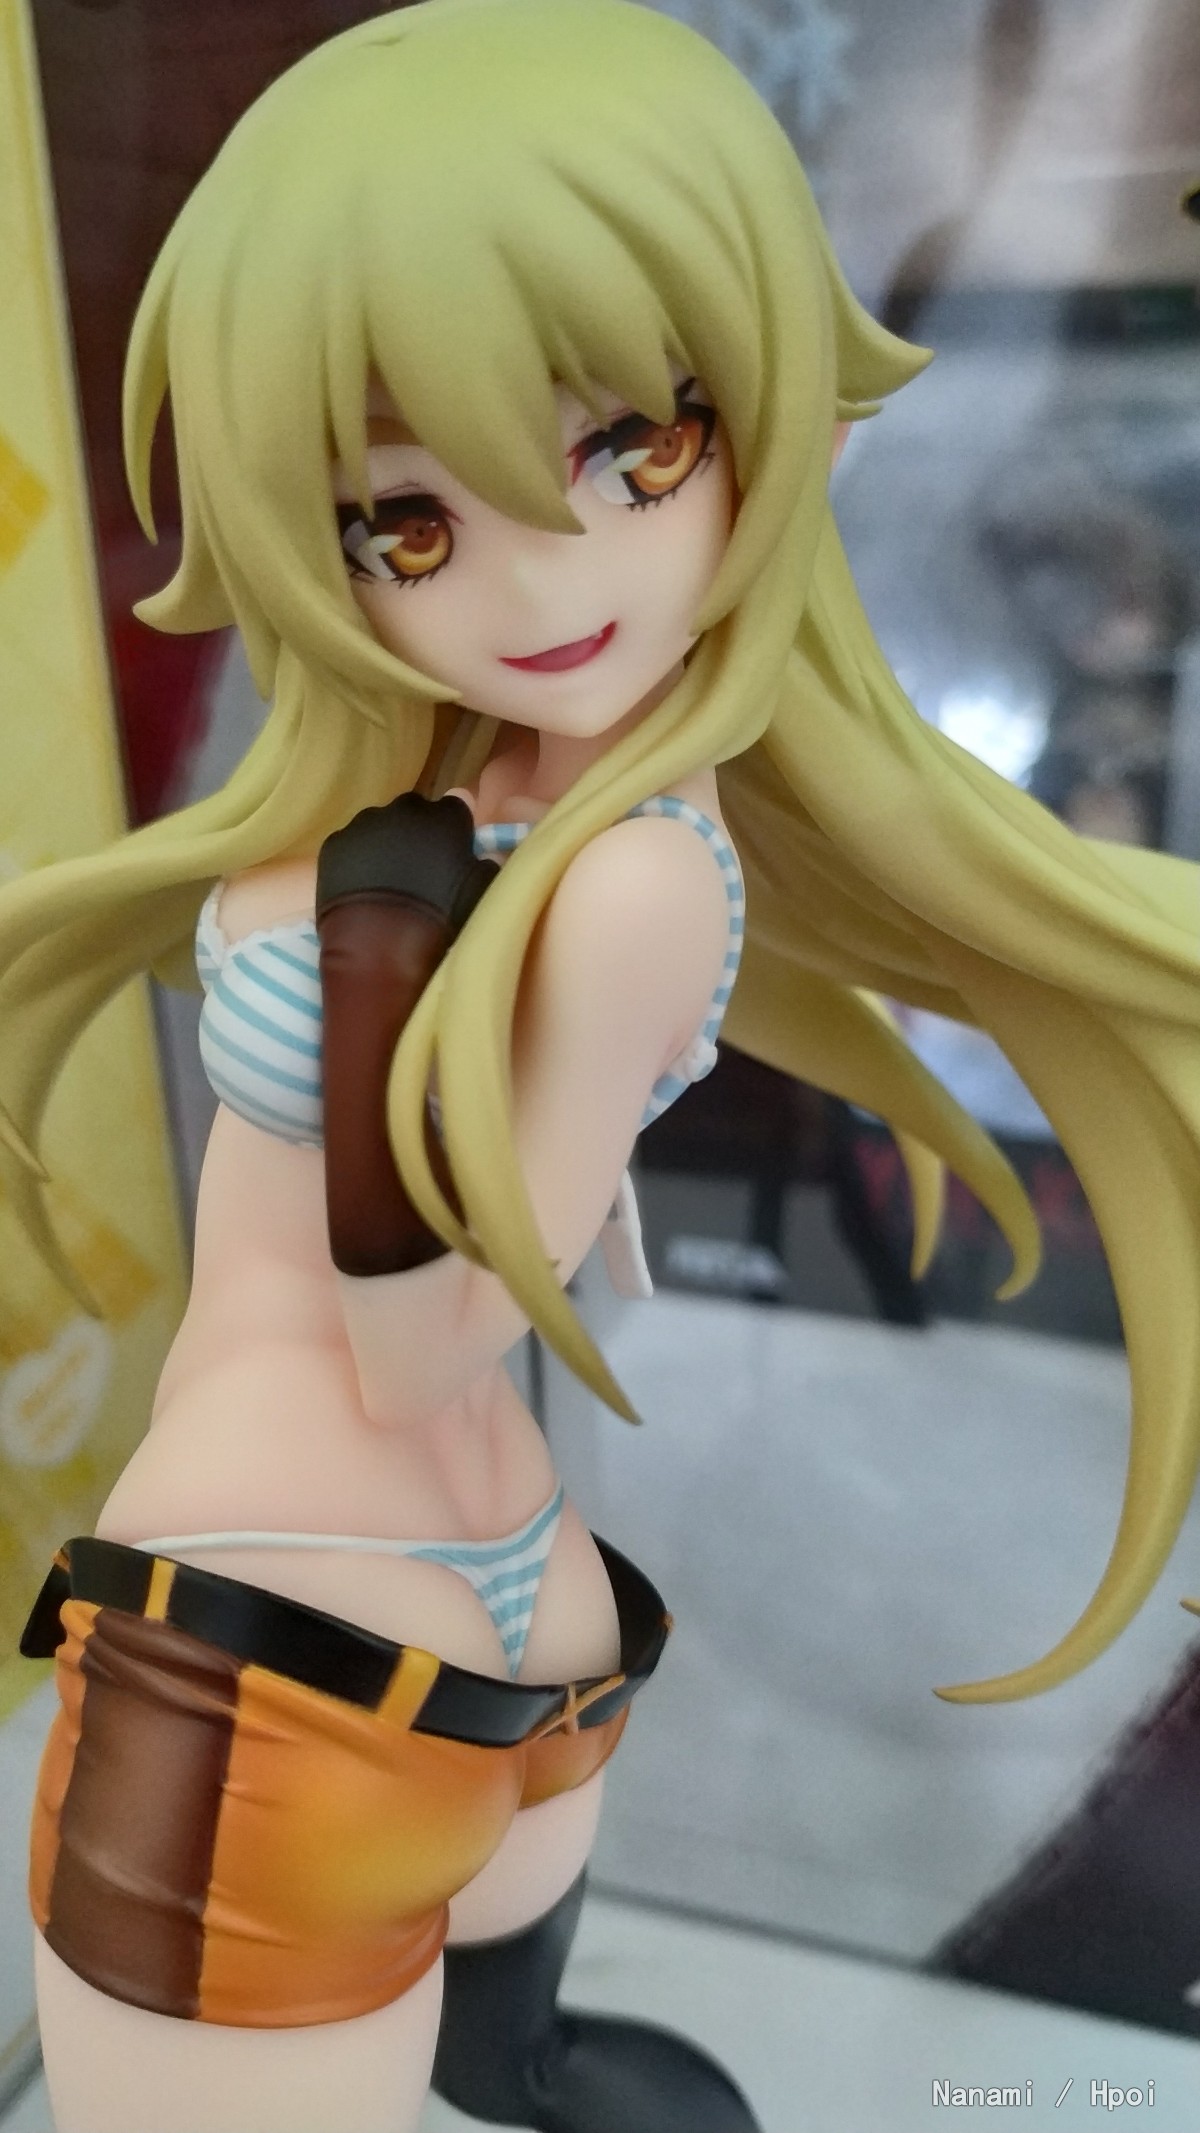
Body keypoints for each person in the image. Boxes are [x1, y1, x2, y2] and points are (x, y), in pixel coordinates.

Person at [5, 3, 1200, 2127]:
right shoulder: (535, 780)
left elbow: (426, 1328)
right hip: (499, 1614)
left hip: (290, 1638)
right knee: (497, 2056)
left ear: (770, 413)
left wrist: (375, 965)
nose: (541, 571)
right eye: (403, 521)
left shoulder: (630, 876)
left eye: (630, 451)